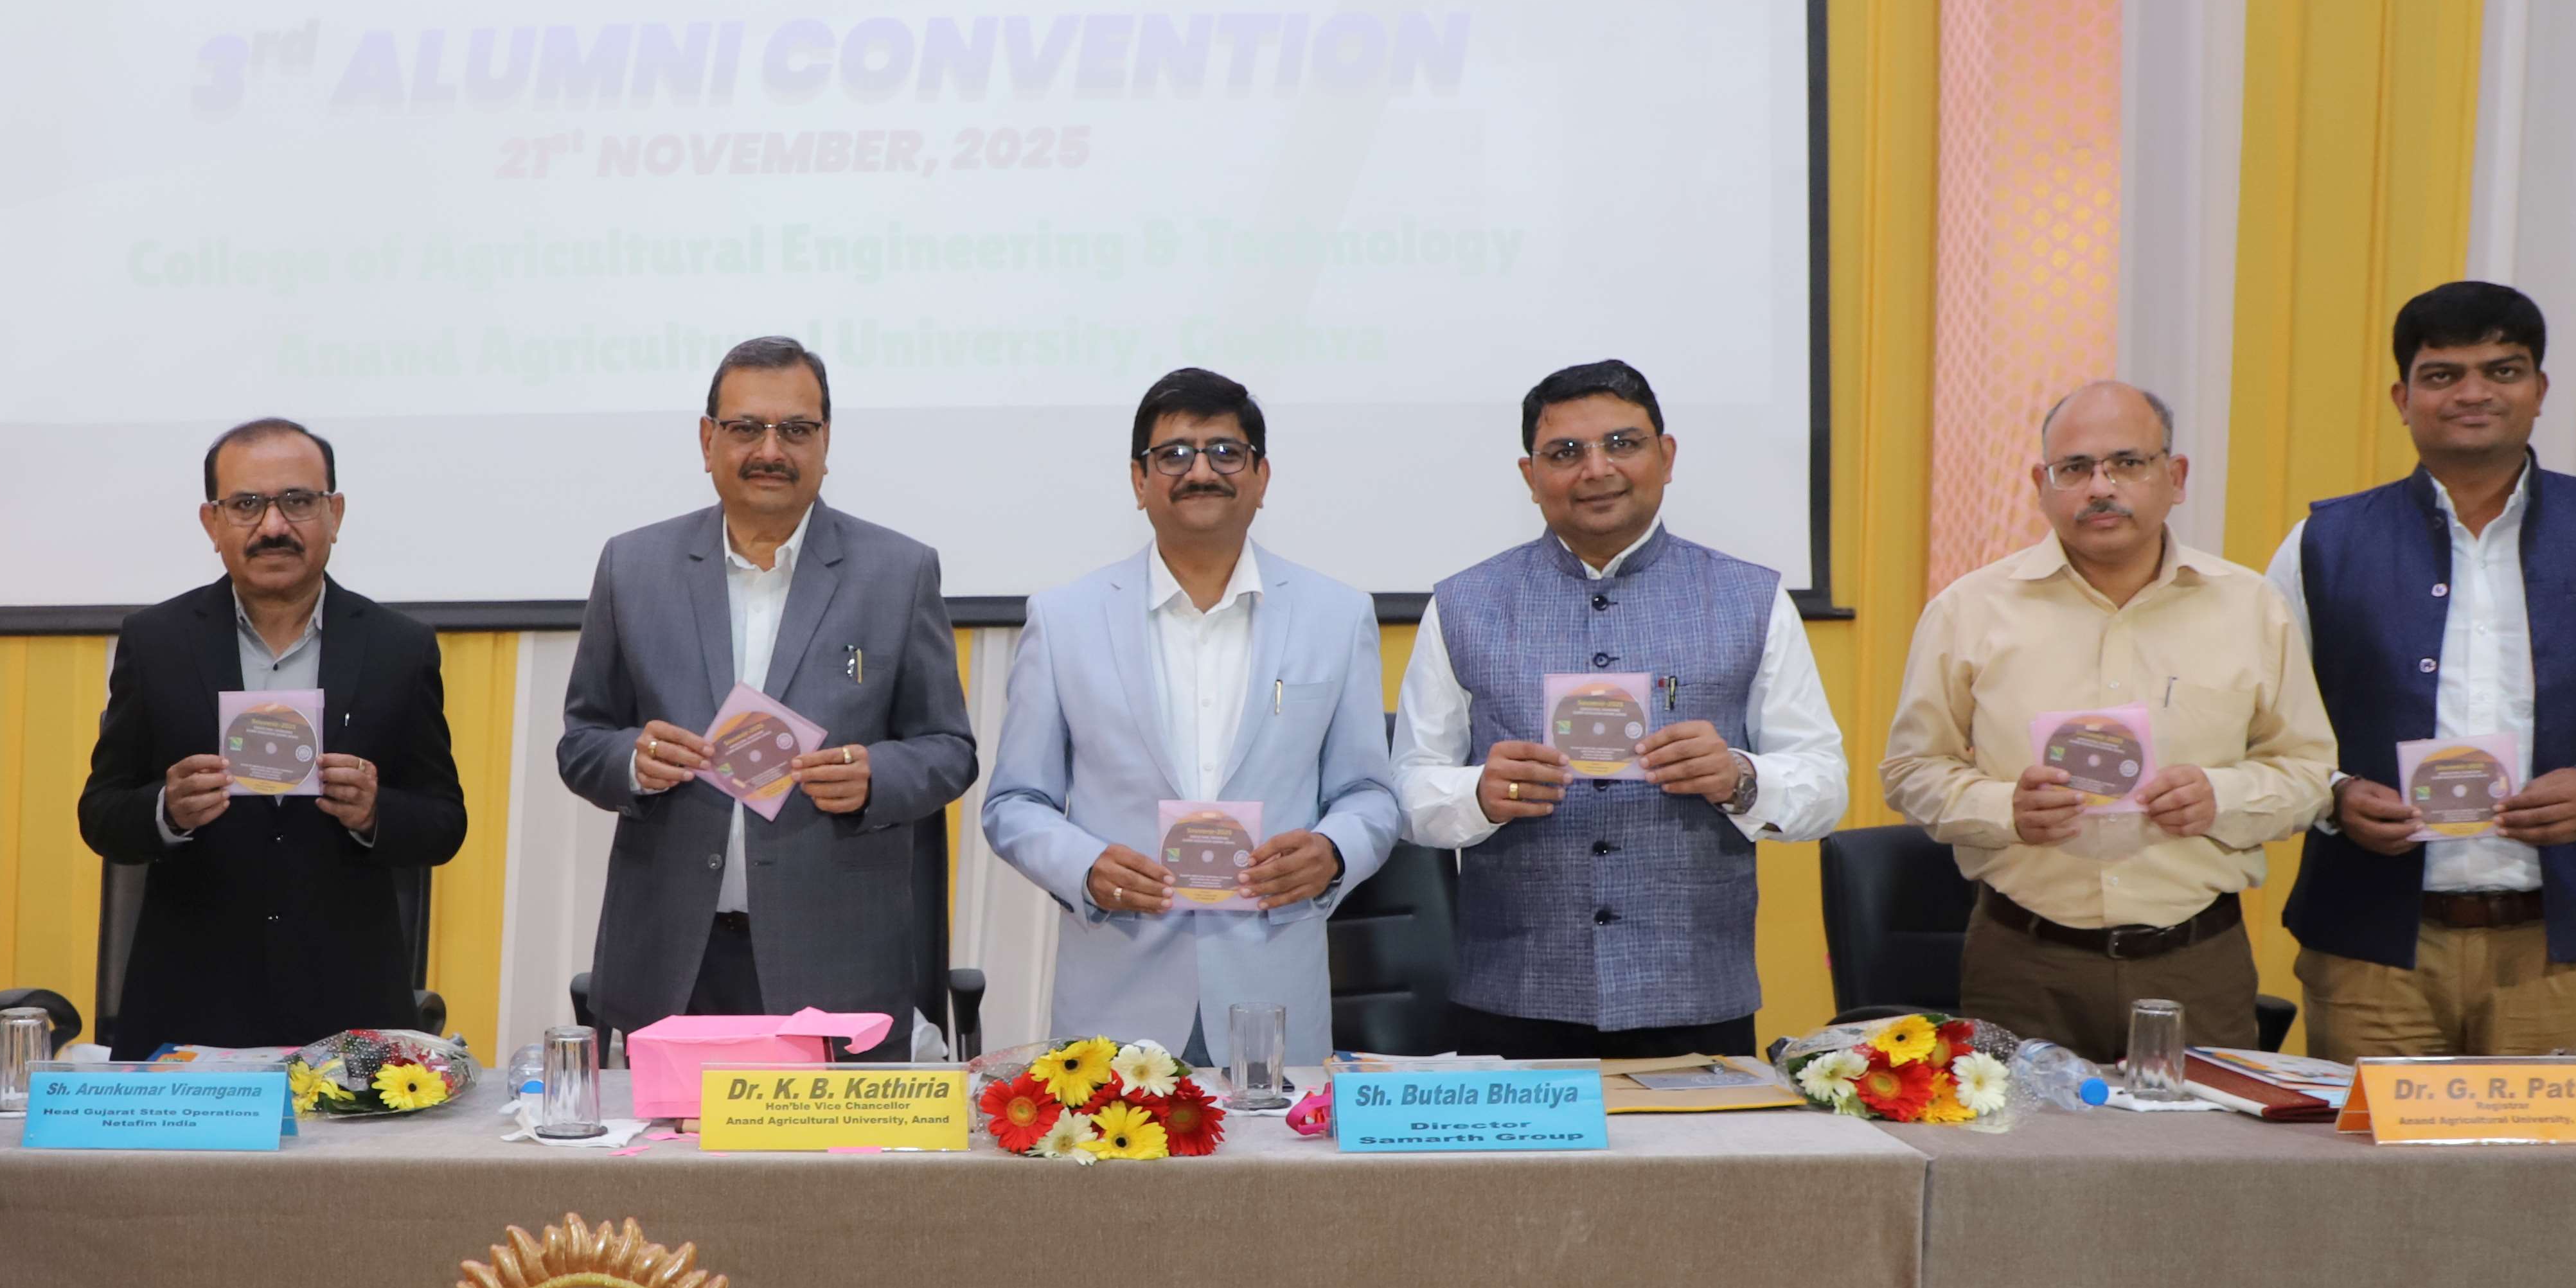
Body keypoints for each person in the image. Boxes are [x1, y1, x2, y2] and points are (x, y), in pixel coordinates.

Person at [2267, 282, 2576, 1059]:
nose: (2474, 393)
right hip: (2372, 955)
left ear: (2540, 390)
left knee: (2556, 1147)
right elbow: (2259, 730)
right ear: (2403, 398)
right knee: (2371, 1147)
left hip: (2569, 953)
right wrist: (2335, 794)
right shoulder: (2323, 543)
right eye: (2443, 374)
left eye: (2502, 370)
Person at [1393, 359, 1847, 1058]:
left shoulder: (1753, 599)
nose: (1596, 469)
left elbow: (1826, 783)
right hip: (1513, 997)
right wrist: (1477, 794)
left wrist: (1740, 777)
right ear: (1531, 476)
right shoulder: (1462, 604)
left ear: (1666, 456)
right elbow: (1408, 787)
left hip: (1696, 995)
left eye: (1622, 444)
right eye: (1565, 453)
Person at [1883, 379, 2337, 1055]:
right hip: (2024, 961)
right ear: (2041, 486)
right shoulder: (1969, 610)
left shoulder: (2251, 608)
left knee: (2203, 1131)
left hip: (2196, 961)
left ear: (2175, 477)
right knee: (2021, 1130)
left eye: (2128, 463)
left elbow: (2309, 773)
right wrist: (2007, 809)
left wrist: (2222, 796)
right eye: (2074, 468)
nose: (2101, 487)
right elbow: (1911, 771)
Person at [557, 336, 977, 1050]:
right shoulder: (633, 566)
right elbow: (582, 741)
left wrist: (876, 776)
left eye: (796, 429)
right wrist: (633, 761)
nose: (771, 450)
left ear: (825, 442)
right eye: (747, 427)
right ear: (708, 440)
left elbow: (949, 749)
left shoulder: (898, 572)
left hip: (836, 963)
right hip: (671, 961)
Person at [981, 367, 1400, 1056]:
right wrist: (1085, 866)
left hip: (1274, 998)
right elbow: (1015, 802)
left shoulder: (1336, 614)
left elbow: (1370, 795)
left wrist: (1332, 852)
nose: (1200, 471)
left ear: (1262, 477)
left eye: (1225, 452)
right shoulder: (1063, 620)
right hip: (1117, 993)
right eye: (1174, 454)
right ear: (1139, 481)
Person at [77, 418, 468, 1052]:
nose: (274, 526)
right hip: (190, 1011)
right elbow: (100, 815)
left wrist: (376, 812)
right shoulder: (156, 643)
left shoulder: (399, 647)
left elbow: (445, 822)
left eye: (298, 501)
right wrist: (167, 809)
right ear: (212, 523)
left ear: (335, 514)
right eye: (247, 505)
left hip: (350, 1011)